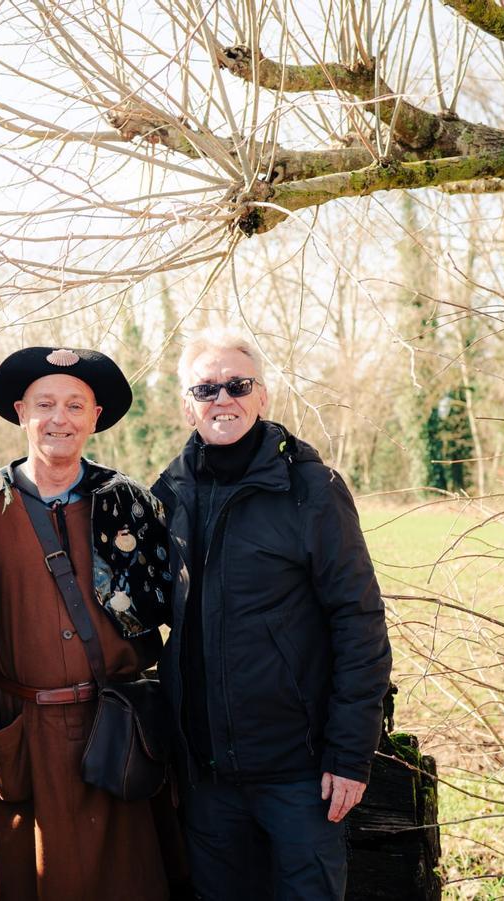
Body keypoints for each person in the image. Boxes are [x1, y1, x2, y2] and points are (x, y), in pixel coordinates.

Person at [152, 328, 392, 900]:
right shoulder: (169, 494)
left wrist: (350, 755)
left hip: (301, 776)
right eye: (206, 389)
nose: (223, 400)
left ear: (263, 397)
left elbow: (359, 622)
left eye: (238, 385)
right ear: (188, 406)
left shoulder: (312, 490)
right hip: (207, 778)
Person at [0, 346, 177, 901]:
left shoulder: (132, 503)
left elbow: (167, 607)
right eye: (45, 404)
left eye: (75, 405)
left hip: (113, 730)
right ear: (21, 412)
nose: (59, 418)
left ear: (95, 417)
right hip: (19, 736)